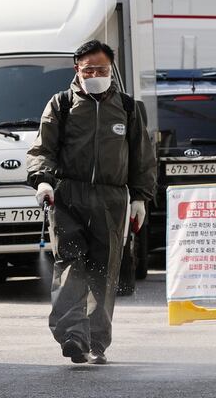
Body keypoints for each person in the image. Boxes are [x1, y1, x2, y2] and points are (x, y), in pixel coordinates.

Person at [26, 40, 156, 365]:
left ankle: (97, 340)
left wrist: (140, 198)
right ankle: (73, 335)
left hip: (112, 200)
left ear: (112, 70)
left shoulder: (128, 108)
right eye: (88, 70)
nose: (95, 75)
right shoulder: (61, 104)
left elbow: (143, 158)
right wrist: (42, 180)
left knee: (104, 271)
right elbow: (42, 149)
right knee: (70, 264)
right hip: (68, 195)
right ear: (77, 70)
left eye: (101, 70)